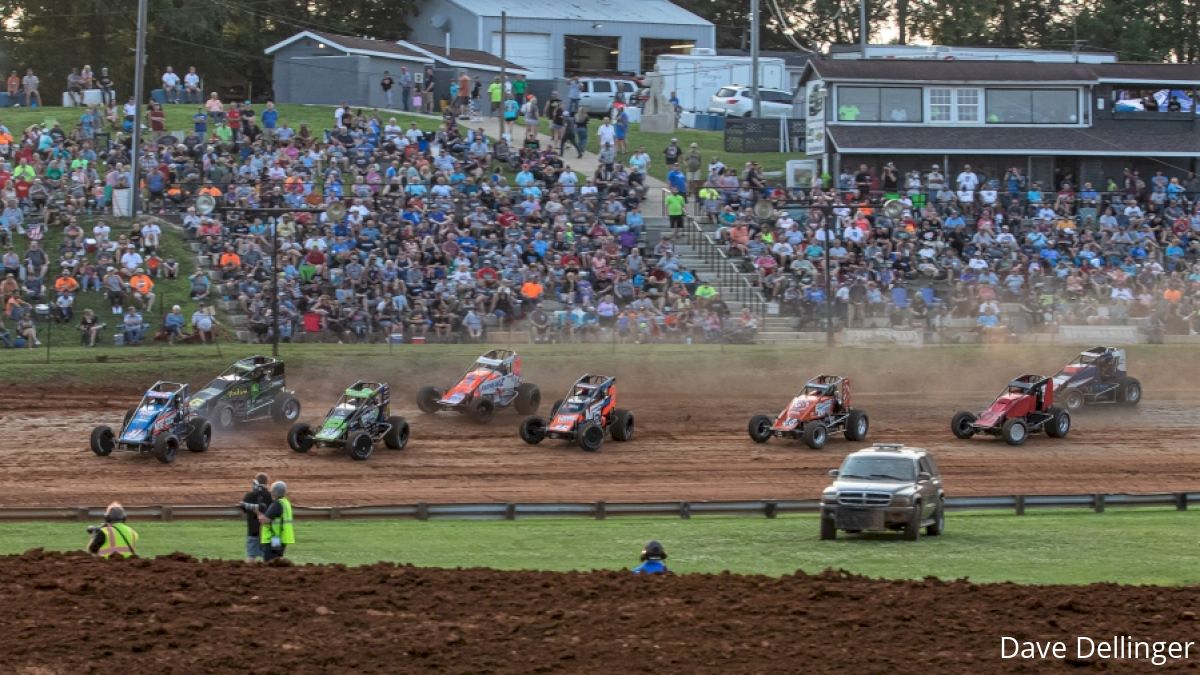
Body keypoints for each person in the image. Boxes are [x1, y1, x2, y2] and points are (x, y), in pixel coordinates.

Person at [239, 472, 273, 563]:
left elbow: (242, 511)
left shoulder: (249, 495)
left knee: (251, 556)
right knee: (269, 558)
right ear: (267, 482)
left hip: (252, 531)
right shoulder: (271, 496)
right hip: (267, 532)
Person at [257, 480, 294, 561]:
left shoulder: (277, 504)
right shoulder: (285, 503)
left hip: (274, 538)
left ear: (274, 492)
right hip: (281, 537)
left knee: (270, 561)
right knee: (277, 561)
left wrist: (258, 513)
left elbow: (264, 520)